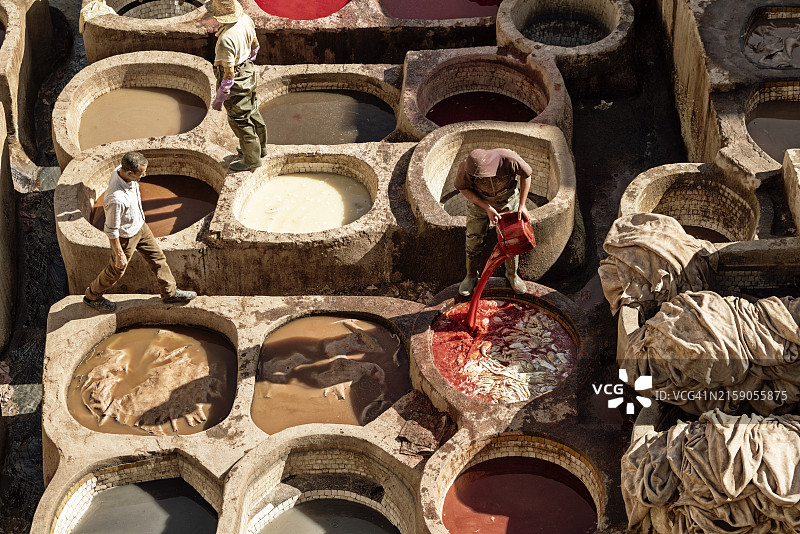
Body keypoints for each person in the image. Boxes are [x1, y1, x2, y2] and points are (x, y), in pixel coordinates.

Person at [83, 152, 197, 312]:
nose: (145, 174)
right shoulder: (116, 199)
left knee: (158, 259)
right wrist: (119, 254)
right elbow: (111, 230)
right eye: (141, 173)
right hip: (125, 236)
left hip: (140, 226)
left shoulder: (120, 170)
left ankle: (169, 293)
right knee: (116, 270)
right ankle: (92, 296)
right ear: (129, 173)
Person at [455, 148, 533, 296]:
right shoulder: (466, 167)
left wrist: (522, 205)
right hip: (479, 203)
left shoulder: (509, 159)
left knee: (511, 240)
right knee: (473, 240)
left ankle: (512, 274)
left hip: (507, 201)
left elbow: (527, 175)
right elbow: (463, 188)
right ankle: (471, 276)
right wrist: (486, 207)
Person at [209, 0, 267, 172]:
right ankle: (260, 148)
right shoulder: (245, 19)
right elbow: (255, 45)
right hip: (248, 71)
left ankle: (251, 159)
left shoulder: (226, 39)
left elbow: (228, 75)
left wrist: (220, 98)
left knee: (240, 120)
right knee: (253, 110)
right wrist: (250, 60)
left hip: (237, 81)